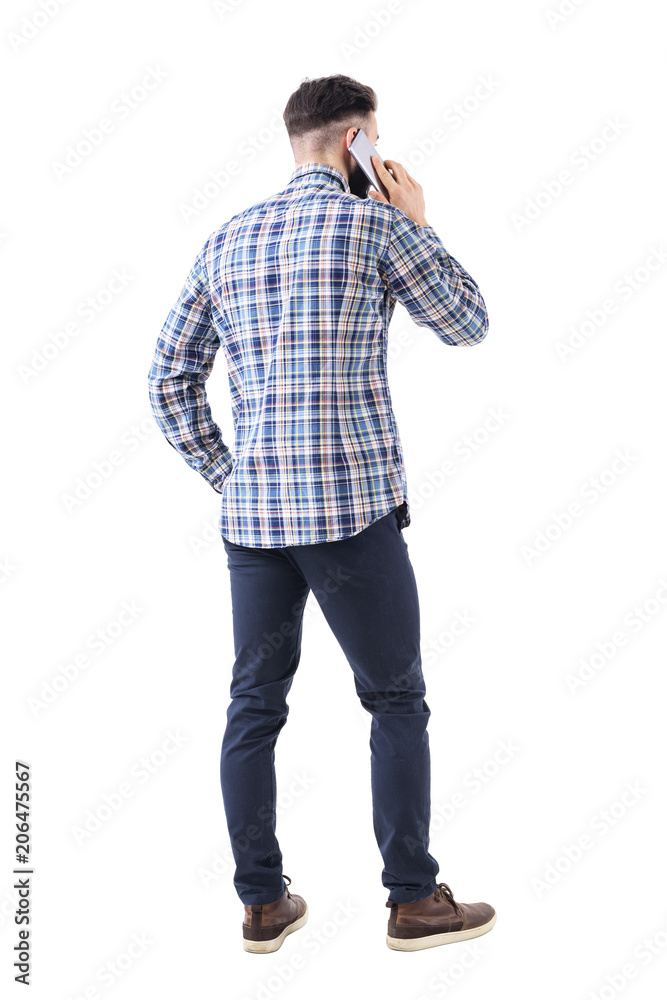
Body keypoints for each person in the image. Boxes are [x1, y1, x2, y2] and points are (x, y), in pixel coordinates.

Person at [147, 73, 496, 953]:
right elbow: (466, 323)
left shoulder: (226, 238)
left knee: (253, 705)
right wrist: (418, 218)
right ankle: (412, 901)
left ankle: (262, 905)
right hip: (348, 517)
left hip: (255, 521)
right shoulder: (376, 225)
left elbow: (167, 380)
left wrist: (230, 474)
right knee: (395, 700)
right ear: (356, 143)